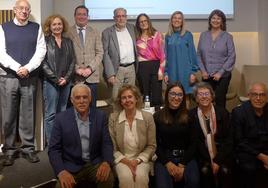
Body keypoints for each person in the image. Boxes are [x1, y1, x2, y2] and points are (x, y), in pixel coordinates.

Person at [0, 0, 46, 166]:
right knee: (8, 115)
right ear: (14, 10)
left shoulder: (36, 28)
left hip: (29, 77)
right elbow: (1, 52)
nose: (24, 11)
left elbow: (41, 50)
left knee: (28, 114)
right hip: (8, 78)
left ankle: (28, 149)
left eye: (27, 9)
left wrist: (27, 68)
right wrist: (17, 67)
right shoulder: (3, 27)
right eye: (21, 8)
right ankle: (9, 150)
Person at [48, 83, 114, 188]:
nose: (82, 101)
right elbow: (54, 150)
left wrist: (106, 162)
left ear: (90, 98)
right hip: (70, 165)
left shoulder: (100, 116)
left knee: (108, 179)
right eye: (78, 98)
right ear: (71, 100)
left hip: (94, 163)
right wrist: (61, 171)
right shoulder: (60, 119)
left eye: (85, 97)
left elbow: (107, 143)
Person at [109, 84, 156, 188]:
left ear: (136, 99)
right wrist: (127, 162)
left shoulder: (147, 117)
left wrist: (137, 161)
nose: (127, 100)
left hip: (142, 159)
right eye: (124, 98)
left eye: (130, 97)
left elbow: (151, 145)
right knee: (126, 178)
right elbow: (112, 147)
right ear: (120, 101)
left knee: (141, 177)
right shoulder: (113, 118)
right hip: (122, 160)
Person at [153, 82, 199, 188]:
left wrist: (182, 165)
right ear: (167, 95)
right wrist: (167, 163)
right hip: (165, 158)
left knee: (193, 182)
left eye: (180, 94)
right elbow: (154, 143)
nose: (176, 97)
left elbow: (194, 143)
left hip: (186, 157)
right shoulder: (157, 116)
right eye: (173, 94)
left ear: (183, 97)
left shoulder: (190, 116)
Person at [189, 82, 233, 188]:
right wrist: (210, 160)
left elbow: (229, 140)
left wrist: (217, 161)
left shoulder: (223, 113)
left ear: (212, 96)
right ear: (196, 98)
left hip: (222, 153)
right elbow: (195, 141)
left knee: (225, 171)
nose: (204, 96)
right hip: (202, 155)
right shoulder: (191, 115)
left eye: (207, 93)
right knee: (205, 171)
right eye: (200, 94)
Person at [42, 14, 75, 144]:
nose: (57, 26)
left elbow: (72, 61)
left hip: (66, 82)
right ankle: (52, 143)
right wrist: (56, 79)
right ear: (49, 27)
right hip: (51, 82)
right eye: (54, 24)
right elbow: (43, 63)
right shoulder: (44, 41)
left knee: (62, 112)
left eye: (59, 24)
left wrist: (66, 79)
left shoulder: (68, 41)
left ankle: (61, 140)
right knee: (50, 114)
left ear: (63, 25)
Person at [232, 82, 268, 188]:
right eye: (254, 94)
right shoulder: (238, 112)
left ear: (266, 97)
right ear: (249, 96)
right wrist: (263, 158)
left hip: (265, 148)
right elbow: (239, 141)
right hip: (247, 150)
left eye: (262, 95)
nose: (258, 98)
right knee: (249, 169)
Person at [197, 9, 236, 108]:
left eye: (219, 18)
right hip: (206, 75)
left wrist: (220, 72)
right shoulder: (203, 35)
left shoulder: (228, 36)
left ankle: (220, 122)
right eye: (213, 18)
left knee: (219, 100)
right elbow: (198, 55)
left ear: (222, 21)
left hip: (222, 76)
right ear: (210, 20)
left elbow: (232, 56)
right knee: (205, 101)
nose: (216, 20)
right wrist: (203, 71)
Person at [68, 5, 103, 108]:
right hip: (75, 78)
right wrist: (76, 69)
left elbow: (100, 52)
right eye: (79, 14)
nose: (81, 17)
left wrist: (90, 68)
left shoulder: (95, 32)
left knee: (92, 108)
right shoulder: (67, 33)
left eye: (84, 14)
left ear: (88, 17)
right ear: (74, 16)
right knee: (75, 108)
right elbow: (67, 56)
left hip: (91, 77)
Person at [164, 11, 199, 107]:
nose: (177, 20)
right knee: (173, 96)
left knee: (185, 96)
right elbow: (165, 56)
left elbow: (192, 54)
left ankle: (185, 120)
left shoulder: (187, 35)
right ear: (171, 20)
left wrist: (193, 72)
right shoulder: (168, 36)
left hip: (185, 72)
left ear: (182, 21)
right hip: (172, 71)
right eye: (174, 18)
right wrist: (166, 73)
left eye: (179, 18)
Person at [102, 8, 137, 101]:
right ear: (114, 18)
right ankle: (116, 116)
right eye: (118, 16)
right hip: (116, 70)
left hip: (131, 69)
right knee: (116, 98)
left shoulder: (132, 28)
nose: (121, 18)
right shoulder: (107, 32)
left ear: (126, 17)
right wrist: (110, 74)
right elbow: (105, 54)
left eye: (123, 16)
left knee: (130, 98)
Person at [136, 13, 165, 108]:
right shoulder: (136, 38)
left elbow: (163, 54)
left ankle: (157, 117)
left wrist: (161, 71)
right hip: (142, 67)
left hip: (156, 66)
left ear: (148, 22)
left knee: (156, 96)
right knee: (145, 94)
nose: (143, 23)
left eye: (145, 21)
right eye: (141, 22)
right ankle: (147, 118)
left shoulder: (157, 35)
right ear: (138, 24)